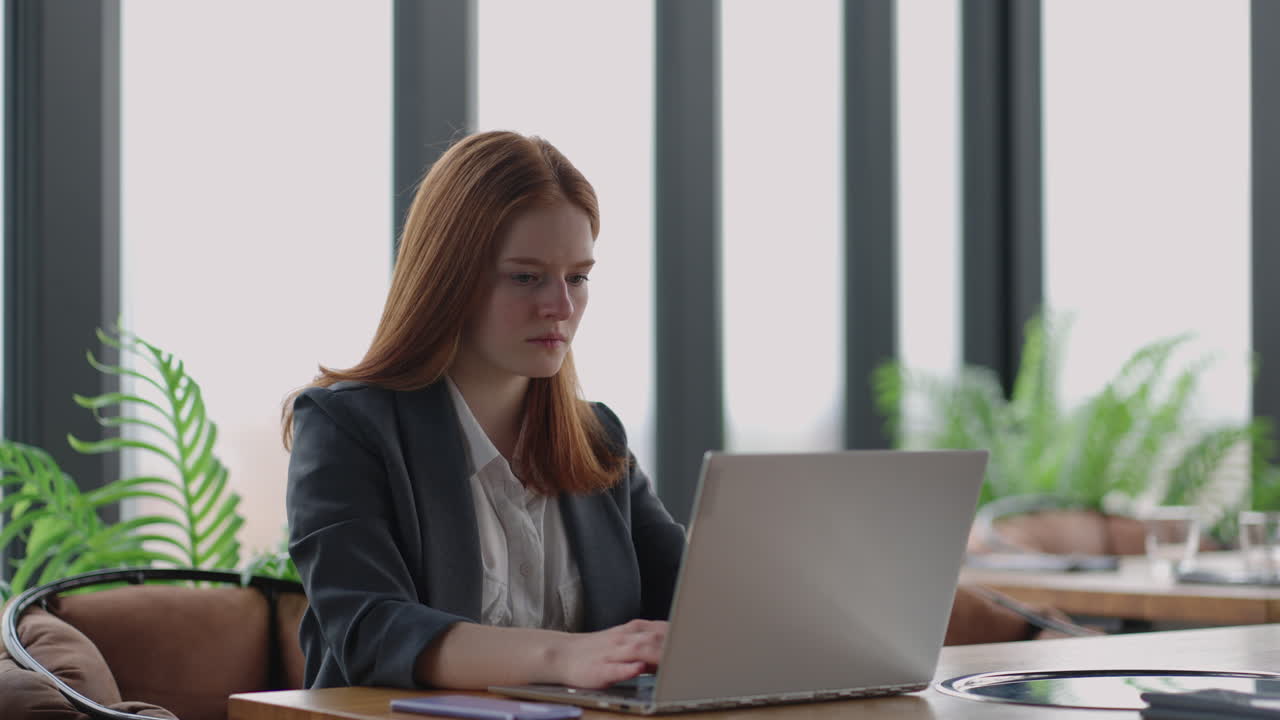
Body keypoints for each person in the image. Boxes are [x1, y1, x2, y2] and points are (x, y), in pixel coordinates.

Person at [281, 131, 686, 692]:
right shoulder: (346, 428)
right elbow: (371, 632)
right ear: (448, 277)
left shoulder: (599, 439)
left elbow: (694, 604)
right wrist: (564, 657)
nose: (561, 307)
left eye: (578, 277)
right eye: (526, 277)